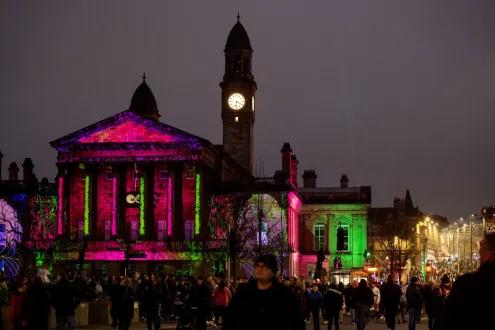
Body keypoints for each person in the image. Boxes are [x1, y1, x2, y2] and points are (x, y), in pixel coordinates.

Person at [222, 254, 305, 330]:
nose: (260, 269)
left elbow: (297, 321)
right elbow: (230, 317)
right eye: (257, 266)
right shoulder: (243, 291)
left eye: (265, 267)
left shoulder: (284, 293)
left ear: (273, 272)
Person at [440, 232, 495, 329]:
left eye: (481, 246)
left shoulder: (467, 284)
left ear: (490, 252)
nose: (479, 251)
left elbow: (447, 321)